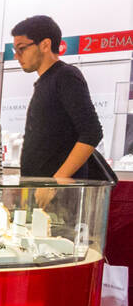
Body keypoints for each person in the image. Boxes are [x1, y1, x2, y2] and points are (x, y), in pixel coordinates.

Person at [11, 15, 105, 208]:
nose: (16, 56)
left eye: (22, 49)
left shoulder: (65, 76)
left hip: (57, 196)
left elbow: (92, 132)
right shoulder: (46, 81)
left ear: (45, 44)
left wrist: (56, 180)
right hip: (40, 190)